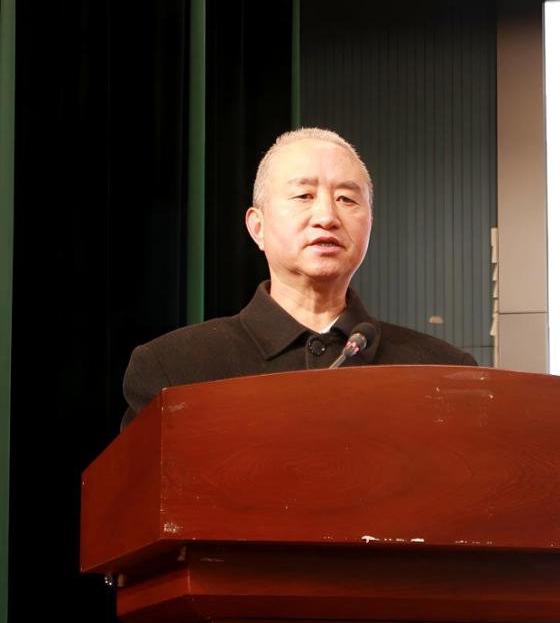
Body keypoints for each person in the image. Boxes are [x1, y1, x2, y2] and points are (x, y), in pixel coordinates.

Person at [120, 127, 476, 430]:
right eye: (304, 195)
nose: (327, 216)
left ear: (370, 224)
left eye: (346, 199)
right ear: (257, 227)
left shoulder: (443, 372)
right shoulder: (174, 368)